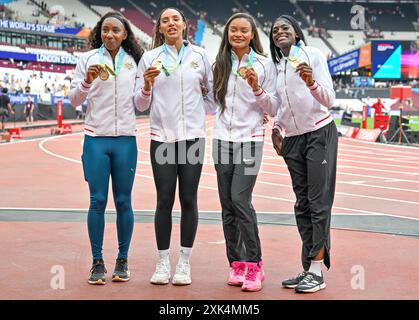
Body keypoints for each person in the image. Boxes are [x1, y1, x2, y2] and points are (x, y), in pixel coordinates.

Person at [134, 7, 214, 286]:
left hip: (192, 137)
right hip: (163, 138)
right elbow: (140, 104)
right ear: (159, 28)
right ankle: (162, 261)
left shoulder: (201, 56)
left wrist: (196, 110)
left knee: (189, 200)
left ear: (184, 25)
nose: (170, 23)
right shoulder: (149, 58)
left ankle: (184, 262)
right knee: (164, 200)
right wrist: (146, 85)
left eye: (175, 19)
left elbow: (213, 98)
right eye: (165, 20)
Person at [69, 11, 144, 285]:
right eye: (105, 30)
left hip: (125, 139)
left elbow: (142, 104)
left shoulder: (135, 62)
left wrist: (146, 87)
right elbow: (74, 100)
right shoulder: (87, 59)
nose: (110, 35)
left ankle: (123, 260)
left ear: (125, 34)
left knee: (124, 201)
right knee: (97, 201)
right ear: (100, 32)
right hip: (95, 139)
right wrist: (87, 81)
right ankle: (97, 261)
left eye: (116, 30)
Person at [269, 15, 338, 293]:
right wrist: (276, 127)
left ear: (297, 33)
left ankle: (317, 272)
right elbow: (280, 105)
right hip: (293, 140)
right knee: (302, 205)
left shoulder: (314, 55)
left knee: (318, 202)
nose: (279, 32)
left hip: (319, 133)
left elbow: (329, 99)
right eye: (274, 30)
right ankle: (308, 266)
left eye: (285, 27)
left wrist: (311, 82)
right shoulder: (277, 65)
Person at [212, 12, 278, 292]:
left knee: (240, 199)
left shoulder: (265, 64)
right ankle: (236, 263)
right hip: (220, 140)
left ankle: (255, 264)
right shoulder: (220, 63)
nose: (238, 34)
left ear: (252, 35)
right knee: (227, 206)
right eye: (233, 30)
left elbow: (273, 107)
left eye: (244, 30)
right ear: (227, 33)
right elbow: (211, 100)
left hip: (250, 139)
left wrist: (256, 87)